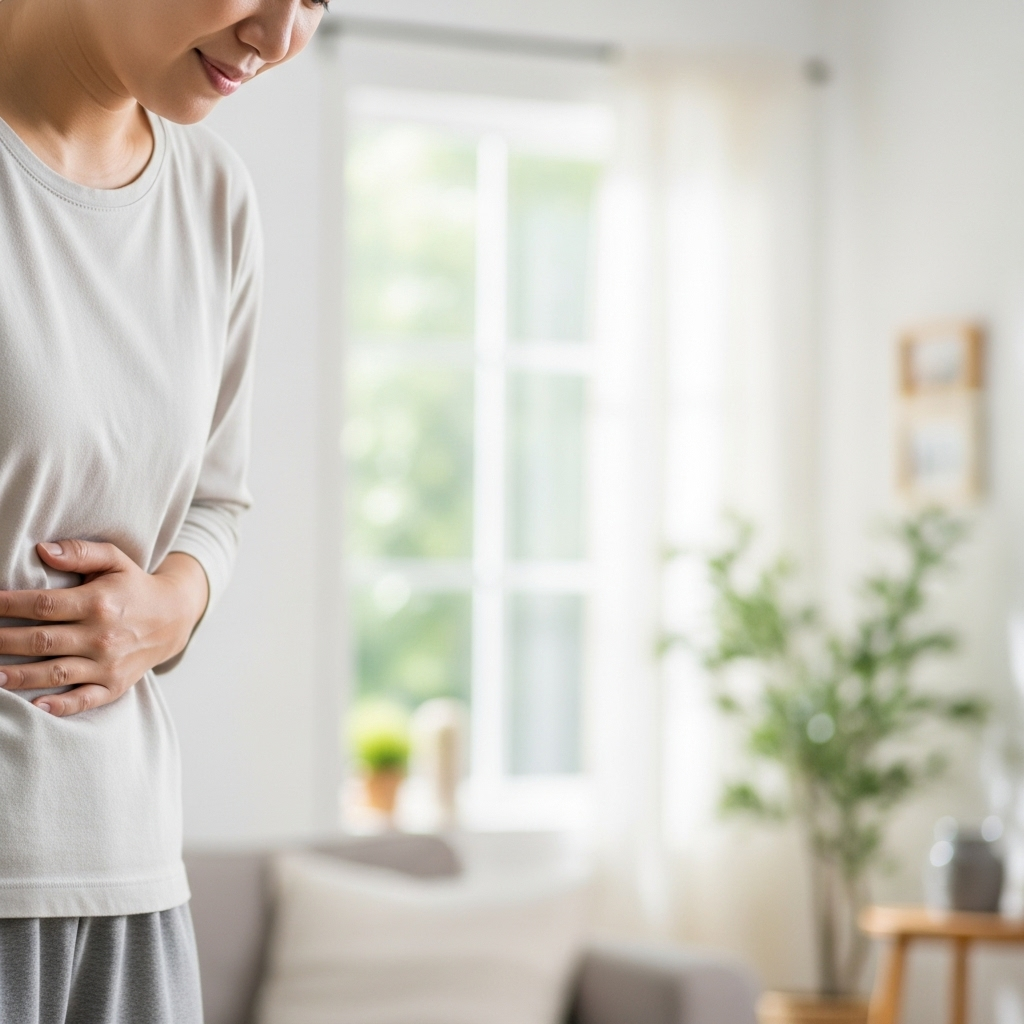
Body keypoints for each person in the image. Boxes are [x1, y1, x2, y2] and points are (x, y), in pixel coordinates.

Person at [0, 0, 326, 1020]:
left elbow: (217, 500)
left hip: (129, 869)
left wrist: (171, 605)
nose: (278, 36)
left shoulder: (214, 197)